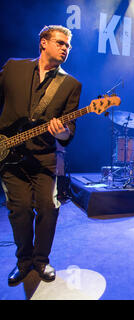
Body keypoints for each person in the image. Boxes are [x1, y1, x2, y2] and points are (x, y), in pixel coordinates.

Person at [0, 25, 82, 285]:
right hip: (9, 156)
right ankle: (24, 261)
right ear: (43, 43)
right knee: (20, 210)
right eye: (60, 43)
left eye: (68, 46)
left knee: (48, 208)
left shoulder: (71, 84)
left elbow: (69, 131)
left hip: (45, 158)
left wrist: (60, 133)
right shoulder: (14, 68)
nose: (65, 48)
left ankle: (41, 261)